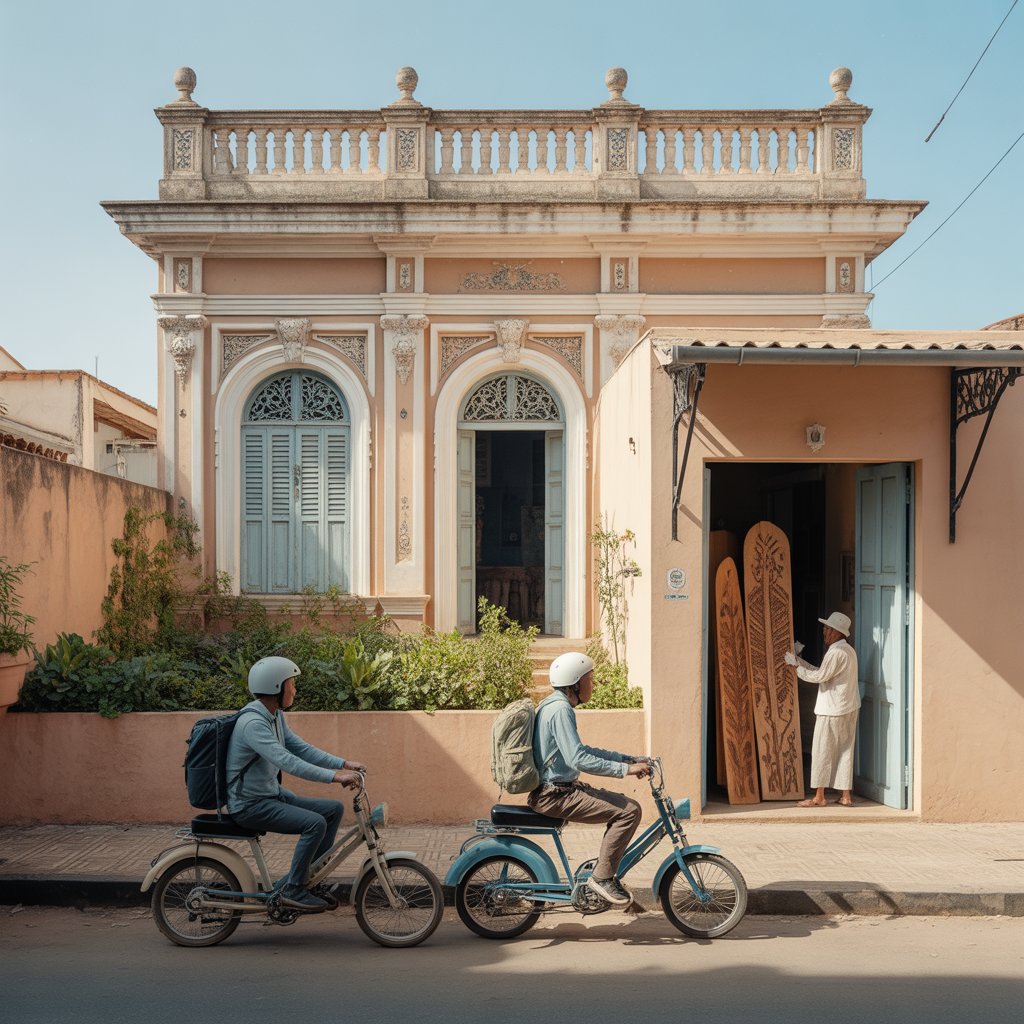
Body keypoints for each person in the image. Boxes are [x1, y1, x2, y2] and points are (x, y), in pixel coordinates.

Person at [226, 656, 365, 912]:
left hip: (270, 795)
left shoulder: (274, 715)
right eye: (291, 684)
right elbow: (288, 761)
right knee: (314, 823)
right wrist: (334, 777)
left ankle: (308, 879)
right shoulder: (253, 723)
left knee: (332, 810)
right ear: (276, 687)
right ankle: (294, 888)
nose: (295, 690)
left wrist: (343, 763)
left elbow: (300, 748)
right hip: (249, 805)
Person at [528, 652, 651, 906]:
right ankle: (602, 878)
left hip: (561, 789)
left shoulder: (553, 704)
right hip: (556, 794)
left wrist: (628, 759)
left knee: (623, 806)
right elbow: (578, 759)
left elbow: (583, 750)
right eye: (589, 680)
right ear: (575, 683)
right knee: (629, 811)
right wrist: (625, 771)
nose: (592, 685)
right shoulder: (561, 709)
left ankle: (603, 873)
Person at [785, 612, 861, 808]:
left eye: (828, 629)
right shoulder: (848, 651)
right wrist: (799, 661)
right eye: (825, 629)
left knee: (822, 751)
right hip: (848, 707)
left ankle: (819, 796)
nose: (824, 633)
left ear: (837, 633)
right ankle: (846, 796)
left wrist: (796, 669)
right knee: (845, 751)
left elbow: (820, 676)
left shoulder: (836, 653)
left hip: (832, 709)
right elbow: (824, 671)